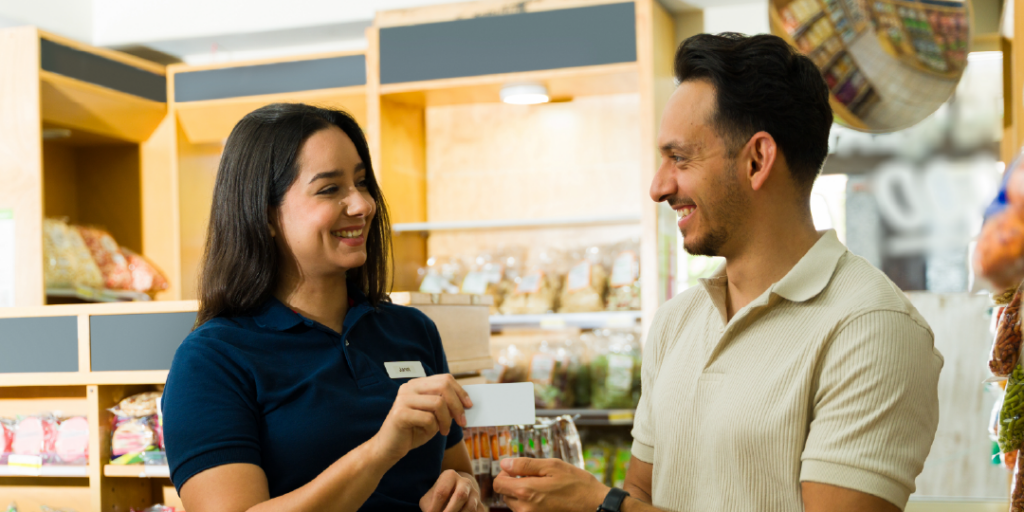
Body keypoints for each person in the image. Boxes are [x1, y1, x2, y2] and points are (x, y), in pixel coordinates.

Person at [493, 33, 943, 512]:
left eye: (680, 158)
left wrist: (602, 506)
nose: (658, 186)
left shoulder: (872, 327)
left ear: (756, 160)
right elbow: (644, 492)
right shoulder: (675, 323)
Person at [162, 103, 486, 512]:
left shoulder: (412, 330)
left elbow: (454, 471)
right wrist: (381, 450)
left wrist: (463, 489)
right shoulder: (212, 360)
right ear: (263, 214)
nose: (363, 205)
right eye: (330, 189)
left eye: (363, 183)